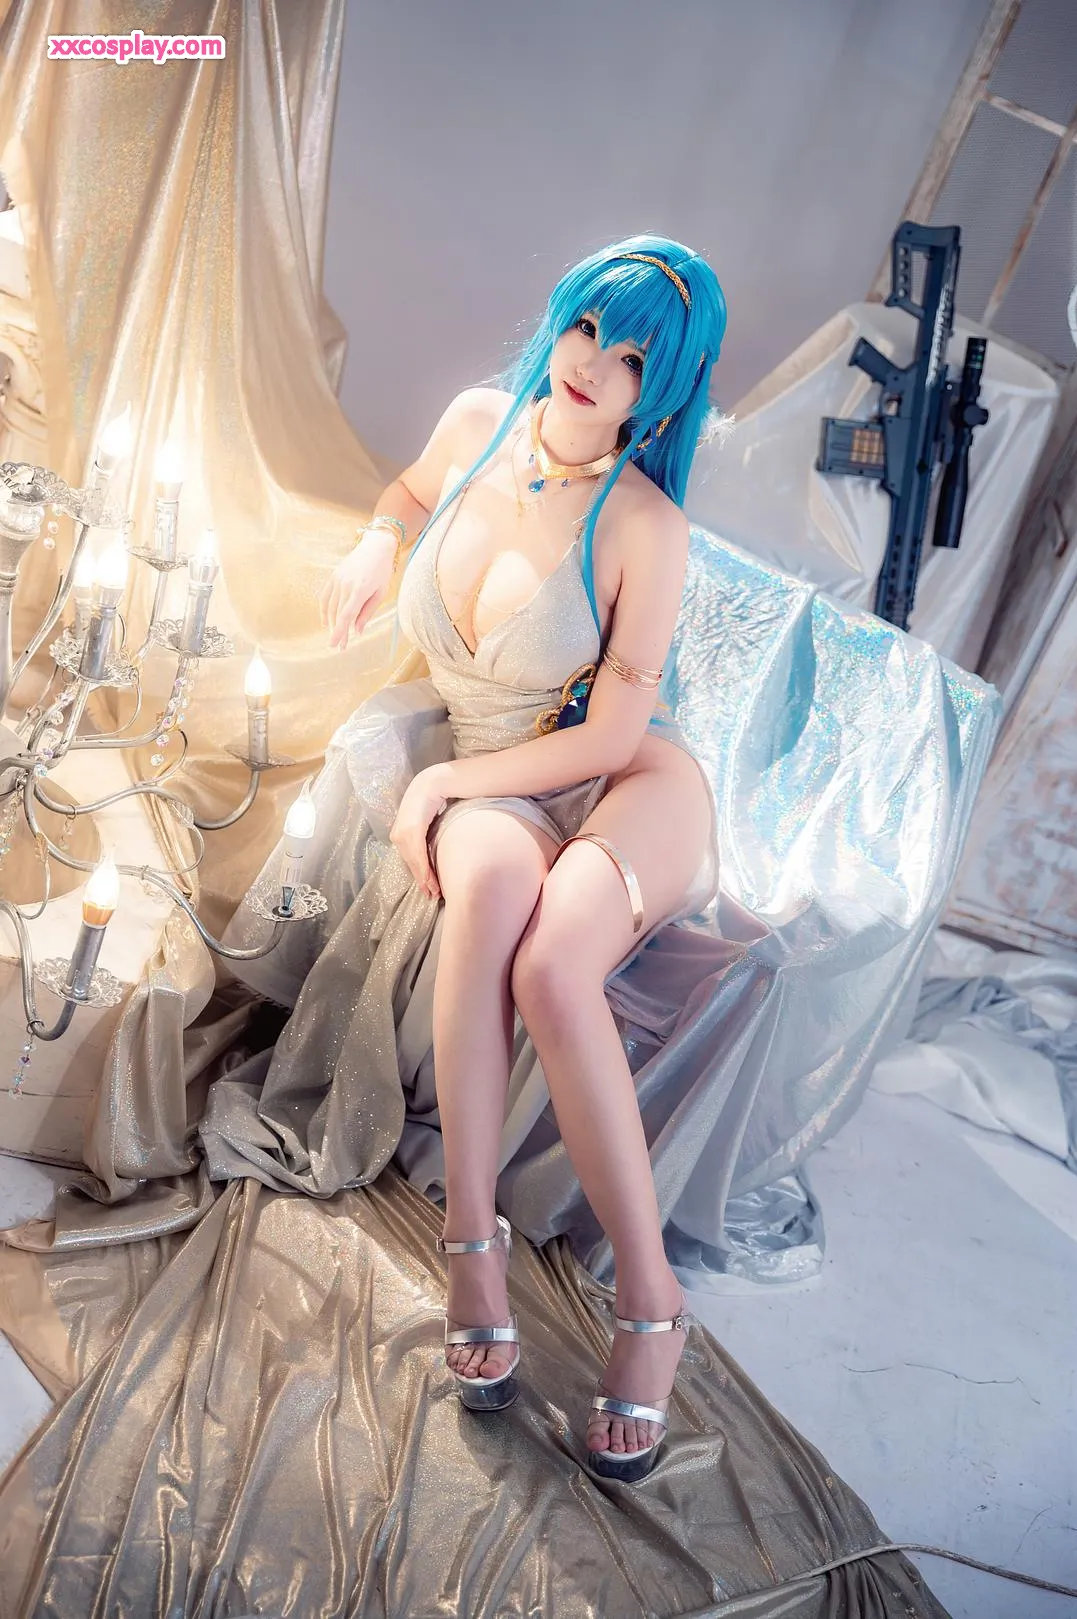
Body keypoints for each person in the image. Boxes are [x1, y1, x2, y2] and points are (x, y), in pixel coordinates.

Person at [314, 234, 728, 1484]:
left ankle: (652, 1305)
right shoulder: (477, 423)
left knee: (554, 968)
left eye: (635, 356)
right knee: (491, 884)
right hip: (505, 765)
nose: (595, 363)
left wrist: (443, 780)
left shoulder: (646, 522)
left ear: (666, 388)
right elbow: (407, 491)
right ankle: (471, 1244)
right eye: (589, 327)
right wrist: (378, 537)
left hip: (626, 778)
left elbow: (610, 735)